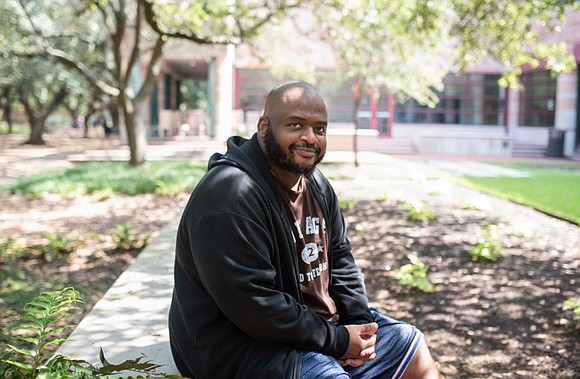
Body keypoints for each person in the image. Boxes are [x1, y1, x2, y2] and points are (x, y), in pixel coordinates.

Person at [168, 81, 444, 379]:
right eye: (296, 124)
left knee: (412, 347)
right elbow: (254, 305)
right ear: (264, 127)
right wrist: (338, 342)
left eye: (319, 129)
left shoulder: (316, 184)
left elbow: (340, 260)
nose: (309, 137)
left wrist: (361, 328)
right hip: (238, 347)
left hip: (314, 328)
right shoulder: (230, 195)